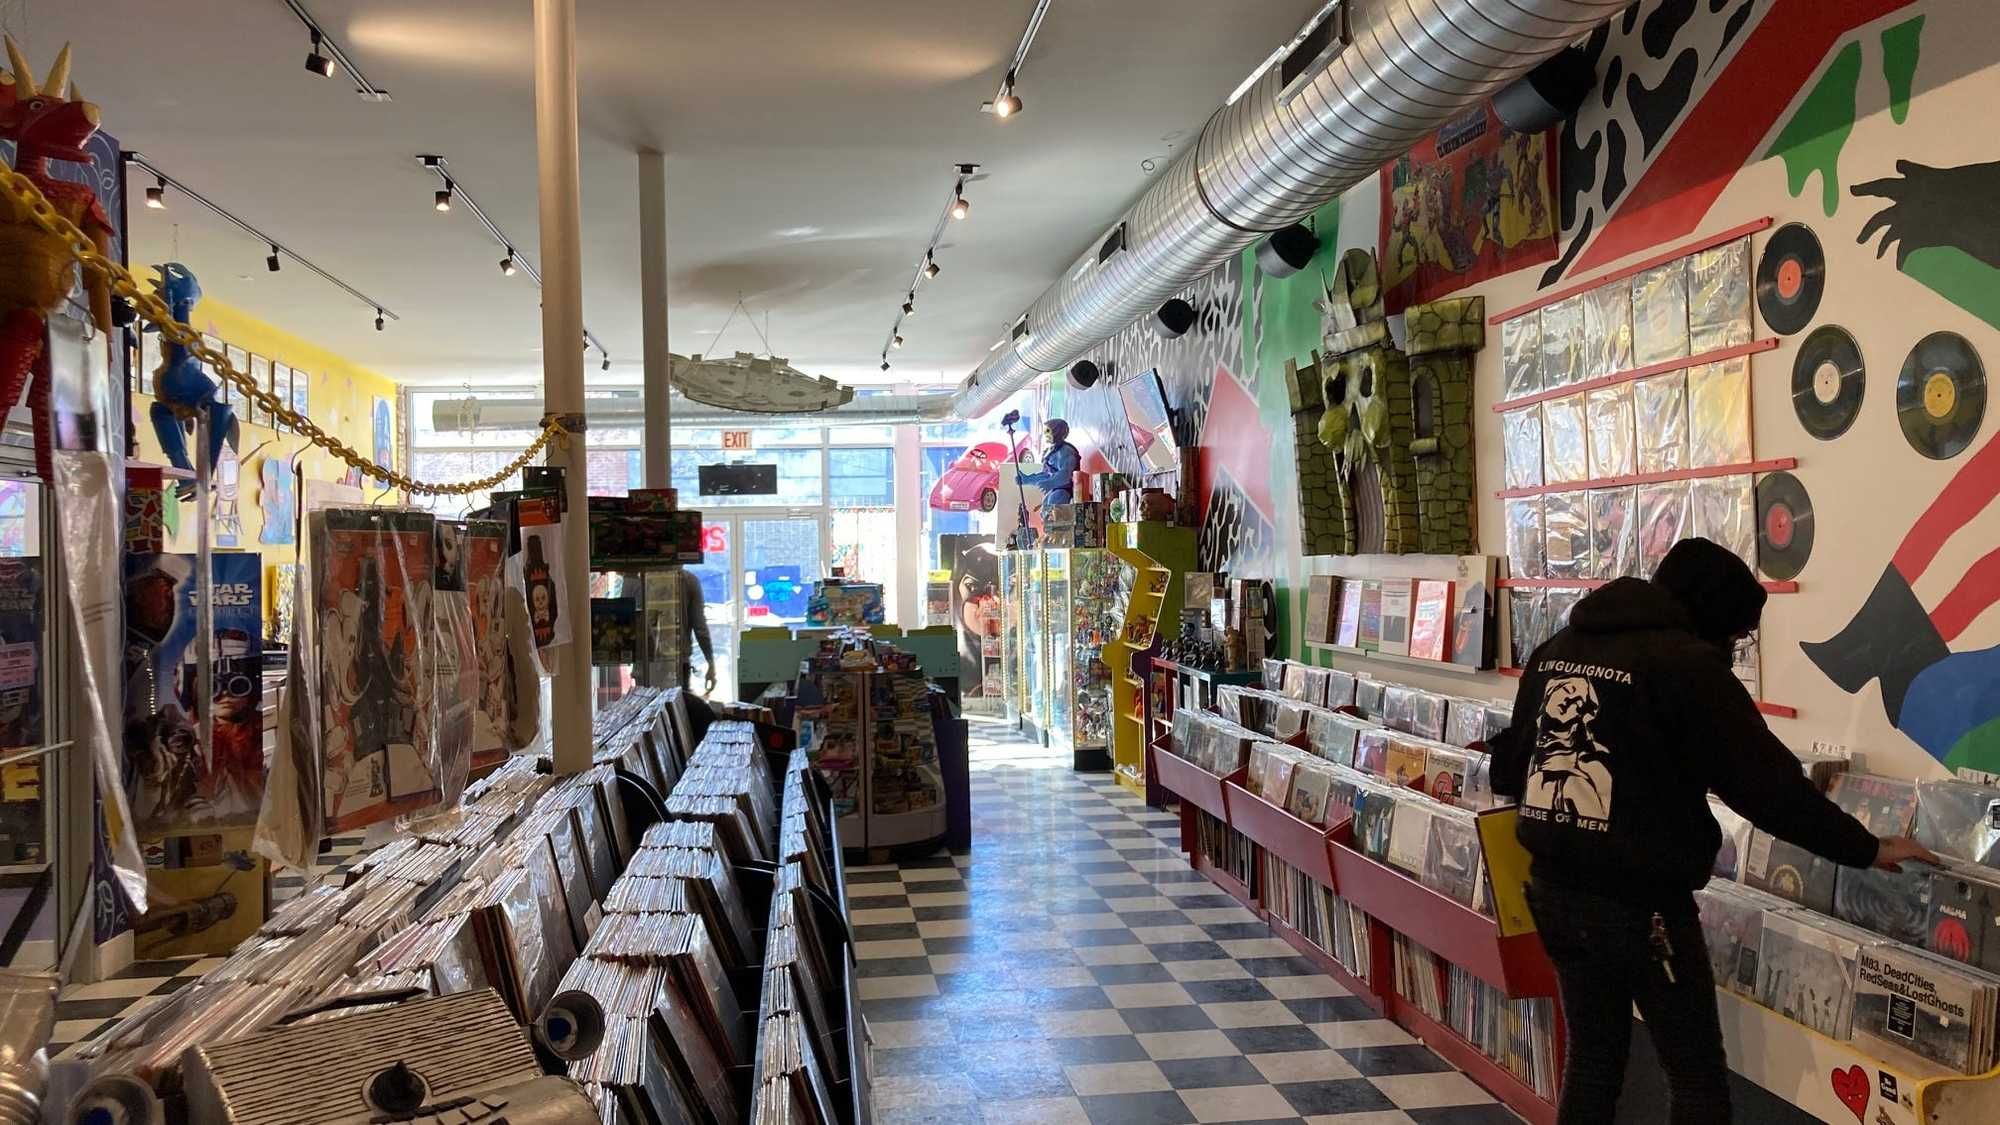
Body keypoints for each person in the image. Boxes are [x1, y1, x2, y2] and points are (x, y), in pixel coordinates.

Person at [1488, 537, 1937, 1124]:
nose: (1737, 646)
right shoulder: (1686, 665)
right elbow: (1767, 789)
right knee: (1696, 1077)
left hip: (1552, 891)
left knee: (1593, 1062)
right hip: (1642, 908)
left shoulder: (1558, 649)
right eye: (1740, 632)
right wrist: (1867, 847)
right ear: (1714, 613)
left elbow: (1509, 769)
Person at [650, 565, 716, 694]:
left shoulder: (645, 577)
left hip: (648, 662)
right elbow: (700, 627)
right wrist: (710, 663)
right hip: (678, 662)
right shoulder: (689, 581)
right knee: (677, 704)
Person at [1018, 418, 1081, 521]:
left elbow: (1065, 474)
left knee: (1053, 506)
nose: (1045, 434)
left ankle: (1058, 529)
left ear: (1057, 432)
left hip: (1065, 490)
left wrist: (1051, 482)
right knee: (1045, 510)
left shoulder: (1066, 451)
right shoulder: (1049, 451)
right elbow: (1046, 475)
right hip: (1055, 489)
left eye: (1048, 431)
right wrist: (1028, 479)